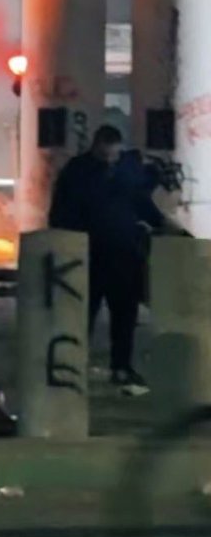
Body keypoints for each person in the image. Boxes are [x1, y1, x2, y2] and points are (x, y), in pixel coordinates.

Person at [49, 124, 183, 396]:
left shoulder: (119, 169)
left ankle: (120, 365)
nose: (110, 159)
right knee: (85, 314)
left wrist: (164, 224)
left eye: (113, 155)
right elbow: (62, 211)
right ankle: (77, 365)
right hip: (90, 253)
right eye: (106, 154)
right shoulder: (81, 171)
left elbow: (141, 203)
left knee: (123, 314)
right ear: (97, 147)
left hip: (121, 253)